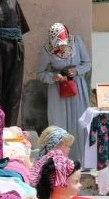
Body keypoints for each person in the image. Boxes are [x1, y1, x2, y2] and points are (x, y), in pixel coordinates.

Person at [36, 23, 91, 165]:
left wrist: (76, 71)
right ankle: (60, 162)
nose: (60, 47)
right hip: (58, 91)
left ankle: (81, 161)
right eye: (58, 45)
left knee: (80, 122)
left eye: (62, 44)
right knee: (60, 123)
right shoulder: (47, 50)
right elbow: (40, 74)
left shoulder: (76, 42)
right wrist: (53, 77)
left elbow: (87, 64)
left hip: (77, 89)